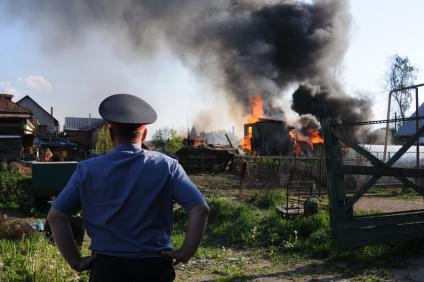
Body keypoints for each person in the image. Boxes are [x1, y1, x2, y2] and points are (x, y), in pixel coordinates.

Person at [47, 93, 210, 282]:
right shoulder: (168, 166)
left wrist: (75, 261)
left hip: (106, 269)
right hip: (154, 269)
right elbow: (200, 208)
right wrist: (185, 253)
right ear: (145, 134)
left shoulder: (87, 170)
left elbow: (56, 216)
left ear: (110, 134)